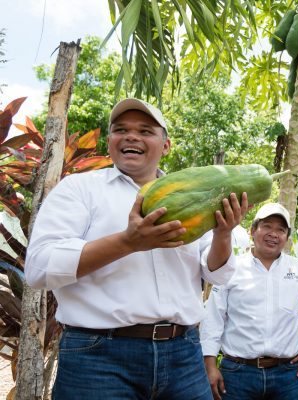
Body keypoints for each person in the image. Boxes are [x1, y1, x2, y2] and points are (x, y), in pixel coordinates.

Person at [24, 98, 248, 400]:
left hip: (183, 354)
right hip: (98, 358)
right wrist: (128, 243)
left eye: (145, 131)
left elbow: (216, 274)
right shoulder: (79, 189)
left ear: (165, 145)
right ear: (110, 143)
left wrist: (223, 234)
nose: (132, 136)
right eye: (121, 130)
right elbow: (39, 269)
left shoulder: (195, 193)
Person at [201, 203, 298, 400]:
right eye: (267, 226)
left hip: (288, 375)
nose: (274, 234)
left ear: (287, 237)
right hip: (238, 374)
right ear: (253, 230)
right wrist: (210, 366)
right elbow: (213, 318)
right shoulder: (232, 268)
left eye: (281, 229)